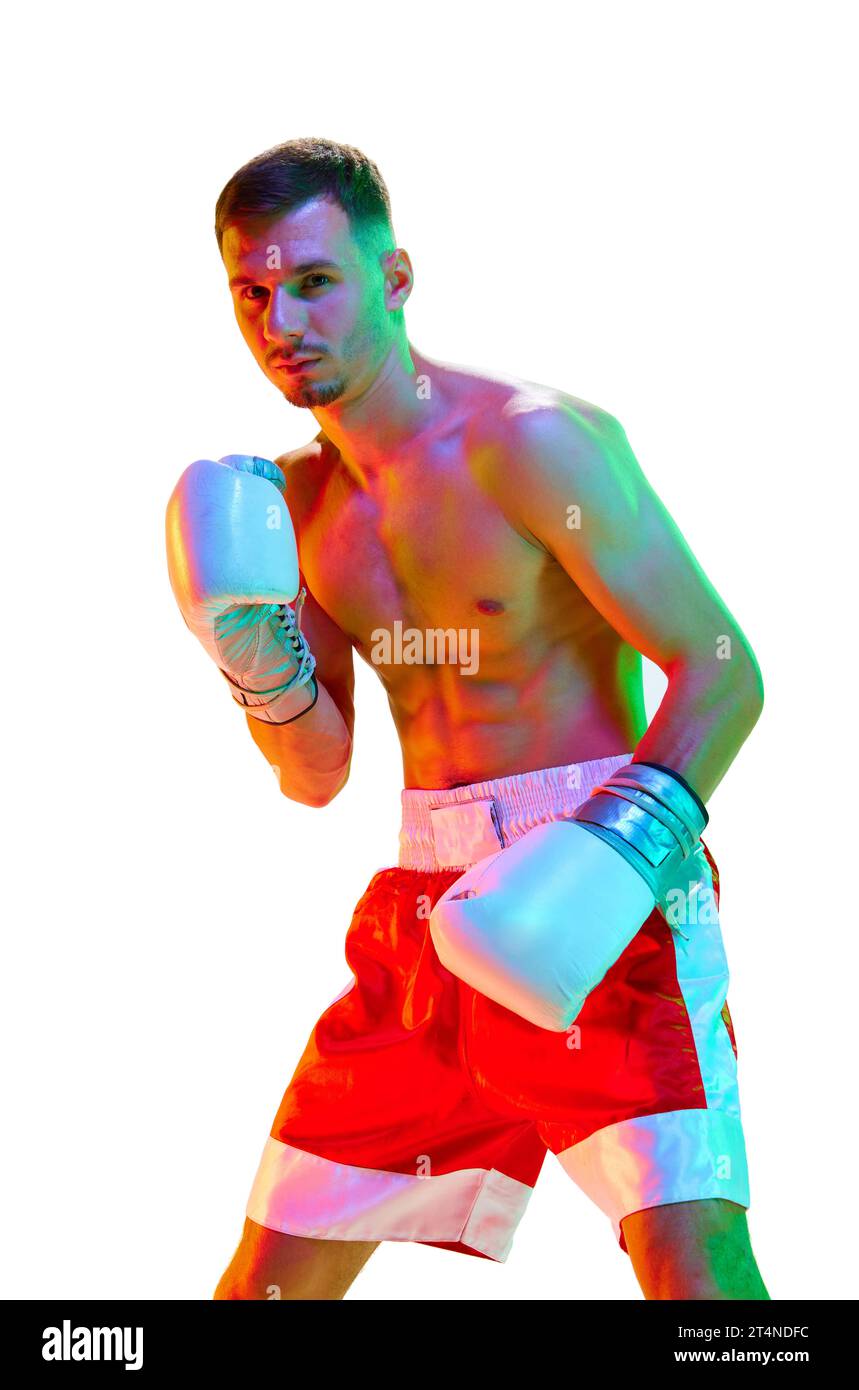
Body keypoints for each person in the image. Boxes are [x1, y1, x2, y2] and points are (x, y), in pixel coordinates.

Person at [166, 137, 768, 1301]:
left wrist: (621, 851)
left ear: (392, 280)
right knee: (267, 1287)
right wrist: (249, 655)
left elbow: (724, 668)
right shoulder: (293, 504)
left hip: (607, 882)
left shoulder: (531, 442)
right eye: (254, 292)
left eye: (315, 281)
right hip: (421, 923)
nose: (282, 318)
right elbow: (317, 771)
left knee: (695, 1275)